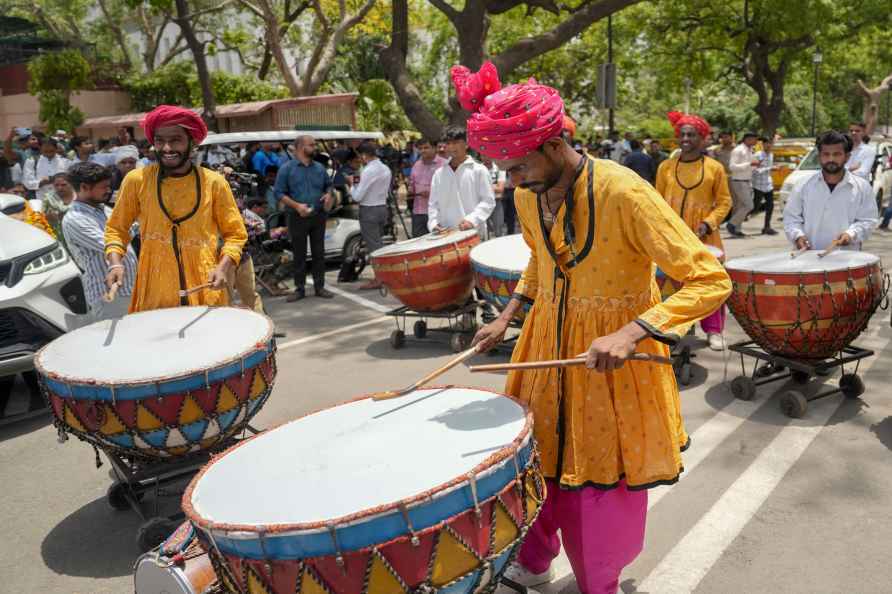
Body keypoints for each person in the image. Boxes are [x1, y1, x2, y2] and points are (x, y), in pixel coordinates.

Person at [455, 61, 730, 594]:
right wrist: (508, 315)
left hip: (613, 364)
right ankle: (534, 561)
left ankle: (597, 581)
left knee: (599, 483)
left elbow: (709, 278)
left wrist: (632, 332)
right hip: (544, 346)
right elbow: (541, 262)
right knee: (540, 462)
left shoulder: (625, 192)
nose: (511, 180)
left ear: (555, 145)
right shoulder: (526, 196)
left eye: (517, 167)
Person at [104, 105, 248, 312]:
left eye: (175, 140)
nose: (167, 148)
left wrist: (223, 267)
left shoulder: (214, 183)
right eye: (160, 141)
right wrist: (115, 263)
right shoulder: (136, 181)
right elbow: (116, 229)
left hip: (205, 287)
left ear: (192, 143)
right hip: (155, 289)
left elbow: (235, 234)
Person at [656, 111, 733, 351]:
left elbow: (725, 202)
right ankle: (674, 327)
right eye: (682, 134)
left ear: (702, 139)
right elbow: (656, 201)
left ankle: (714, 332)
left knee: (709, 283)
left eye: (692, 134)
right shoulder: (665, 167)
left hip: (705, 237)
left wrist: (708, 223)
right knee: (667, 281)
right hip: (671, 239)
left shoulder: (715, 168)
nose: (686, 138)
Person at [64, 162, 138, 321]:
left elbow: (129, 227)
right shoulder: (75, 219)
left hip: (130, 289)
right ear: (84, 187)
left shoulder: (104, 209)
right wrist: (133, 222)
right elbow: (113, 242)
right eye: (103, 187)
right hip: (109, 295)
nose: (108, 190)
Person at [783, 130, 877, 251]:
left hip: (848, 262)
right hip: (808, 260)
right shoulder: (803, 185)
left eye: (837, 154)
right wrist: (798, 236)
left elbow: (868, 220)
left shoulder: (862, 187)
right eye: (826, 154)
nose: (831, 159)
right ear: (819, 156)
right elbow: (791, 218)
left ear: (847, 157)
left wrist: (851, 234)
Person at [274, 134, 335, 301]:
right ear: (301, 147)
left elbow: (329, 186)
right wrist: (297, 206)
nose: (315, 147)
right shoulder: (287, 169)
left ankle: (319, 287)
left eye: (315, 144)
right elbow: (278, 192)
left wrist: (329, 195)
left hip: (318, 215)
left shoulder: (320, 168)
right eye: (312, 145)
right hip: (296, 216)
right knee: (299, 254)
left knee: (319, 252)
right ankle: (299, 289)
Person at [427, 126, 495, 237]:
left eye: (456, 142)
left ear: (467, 144)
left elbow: (488, 201)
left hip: (474, 233)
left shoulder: (479, 170)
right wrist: (434, 223)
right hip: (445, 234)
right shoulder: (439, 174)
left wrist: (471, 220)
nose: (451, 147)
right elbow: (433, 204)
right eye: (448, 143)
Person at [352, 141, 393, 290]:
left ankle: (380, 278)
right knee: (378, 244)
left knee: (374, 247)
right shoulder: (385, 168)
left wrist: (351, 185)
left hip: (369, 210)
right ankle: (384, 275)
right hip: (382, 207)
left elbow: (357, 196)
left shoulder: (368, 170)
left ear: (364, 155)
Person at [228, 196, 266, 313]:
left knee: (251, 296)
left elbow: (260, 227)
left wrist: (248, 225)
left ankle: (263, 328)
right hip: (224, 258)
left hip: (243, 255)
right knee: (224, 299)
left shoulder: (241, 208)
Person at [408, 138, 447, 238]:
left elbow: (451, 188)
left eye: (426, 147)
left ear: (434, 148)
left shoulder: (445, 164)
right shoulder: (416, 165)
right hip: (419, 211)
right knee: (418, 243)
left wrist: (432, 193)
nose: (423, 151)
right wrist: (410, 190)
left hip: (438, 212)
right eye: (420, 148)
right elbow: (411, 185)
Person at [726, 132, 759, 237]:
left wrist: (755, 166)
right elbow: (732, 167)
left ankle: (737, 230)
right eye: (754, 139)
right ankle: (732, 224)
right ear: (748, 139)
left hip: (746, 180)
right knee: (749, 205)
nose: (756, 142)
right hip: (738, 181)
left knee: (740, 206)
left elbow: (750, 167)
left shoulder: (750, 150)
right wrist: (749, 164)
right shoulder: (738, 150)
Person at [751, 137, 778, 235]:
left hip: (768, 184)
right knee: (755, 207)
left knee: (770, 205)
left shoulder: (771, 155)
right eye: (767, 143)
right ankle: (737, 220)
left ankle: (767, 227)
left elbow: (768, 170)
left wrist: (771, 169)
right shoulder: (757, 155)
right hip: (758, 185)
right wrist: (769, 168)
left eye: (770, 143)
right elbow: (754, 170)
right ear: (763, 145)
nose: (769, 145)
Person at [42, 172, 76, 246]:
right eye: (56, 185)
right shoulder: (48, 198)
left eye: (64, 185)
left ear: (71, 184)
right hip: (57, 235)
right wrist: (48, 217)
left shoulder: (79, 197)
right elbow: (41, 218)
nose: (59, 188)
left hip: (77, 233)